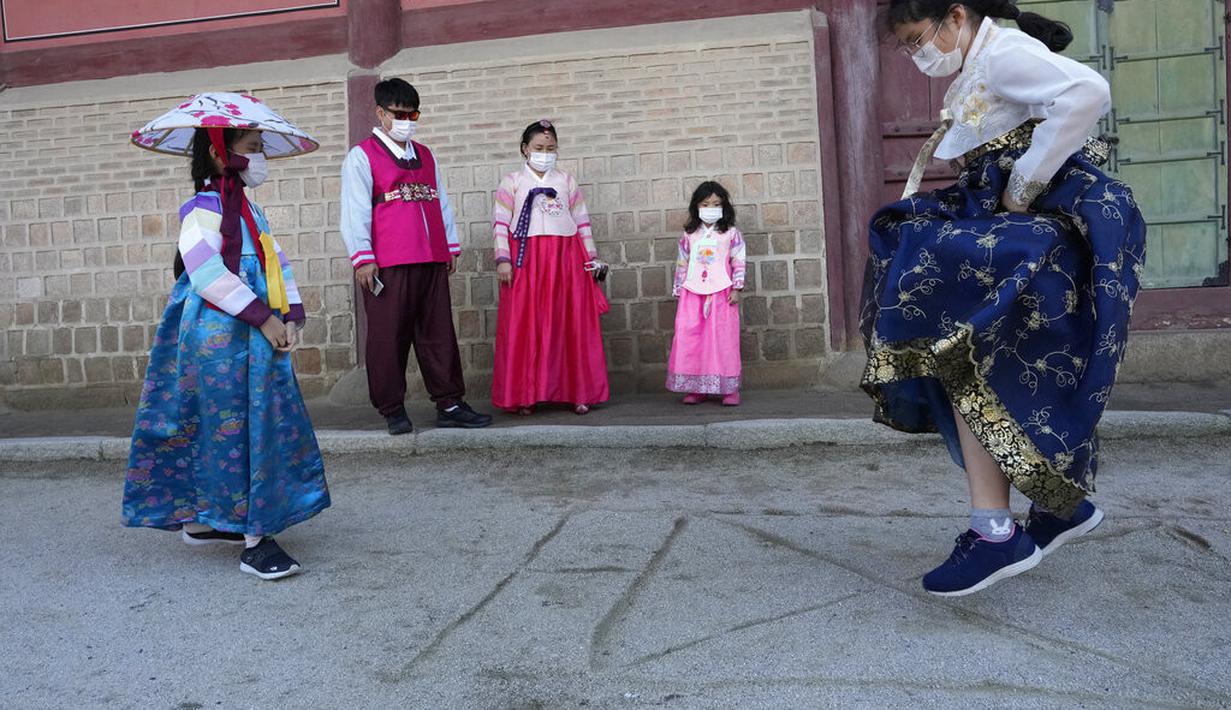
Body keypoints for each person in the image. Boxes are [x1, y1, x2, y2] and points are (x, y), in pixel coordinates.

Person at [863, 0, 1146, 596]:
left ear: (956, 16)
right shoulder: (983, 61)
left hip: (1031, 226)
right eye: (909, 46)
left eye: (921, 39)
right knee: (992, 367)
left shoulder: (1005, 55)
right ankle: (1057, 507)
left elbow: (1088, 92)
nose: (920, 56)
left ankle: (995, 531)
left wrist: (1022, 183)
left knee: (963, 354)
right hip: (1015, 227)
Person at [124, 93, 330, 580]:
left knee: (249, 424)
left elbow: (273, 262)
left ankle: (210, 519)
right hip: (218, 338)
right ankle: (255, 539)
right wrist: (263, 317)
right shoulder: (201, 209)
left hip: (256, 334)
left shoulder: (250, 211)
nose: (259, 157)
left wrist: (290, 311)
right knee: (232, 427)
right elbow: (205, 274)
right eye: (253, 146)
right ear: (221, 151)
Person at [339, 78, 492, 434]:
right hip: (388, 261)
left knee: (438, 333)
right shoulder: (362, 156)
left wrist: (450, 245)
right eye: (399, 113)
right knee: (387, 337)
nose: (407, 119)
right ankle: (392, 408)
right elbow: (354, 209)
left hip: (431, 257)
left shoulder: (425, 155)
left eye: (413, 113)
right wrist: (363, 257)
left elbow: (441, 202)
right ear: (380, 113)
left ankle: (449, 402)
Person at [491, 120, 610, 415]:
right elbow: (500, 224)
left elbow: (582, 221)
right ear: (525, 149)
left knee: (570, 322)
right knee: (525, 324)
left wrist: (591, 258)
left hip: (566, 257)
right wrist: (503, 259)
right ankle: (525, 395)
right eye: (539, 148)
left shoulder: (566, 181)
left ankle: (578, 392)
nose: (545, 153)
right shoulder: (513, 182)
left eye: (551, 149)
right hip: (526, 259)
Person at [666, 181, 746, 406]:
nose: (711, 208)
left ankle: (729, 390)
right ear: (697, 206)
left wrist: (737, 288)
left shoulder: (730, 234)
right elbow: (682, 262)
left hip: (722, 293)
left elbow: (738, 260)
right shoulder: (690, 235)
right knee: (692, 340)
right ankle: (696, 387)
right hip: (692, 293)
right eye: (705, 203)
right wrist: (679, 289)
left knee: (722, 340)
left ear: (724, 207)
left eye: (716, 204)